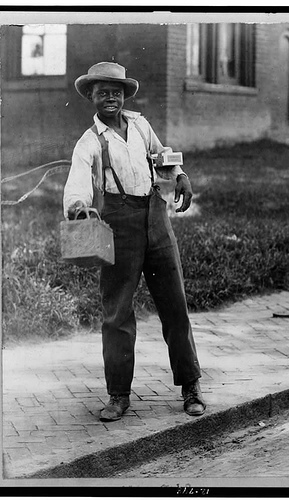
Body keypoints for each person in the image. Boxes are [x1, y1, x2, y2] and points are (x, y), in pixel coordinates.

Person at [63, 62, 206, 422]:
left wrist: (181, 175)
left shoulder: (141, 125)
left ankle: (191, 387)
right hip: (118, 227)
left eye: (116, 91)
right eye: (102, 91)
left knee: (175, 308)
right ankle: (118, 395)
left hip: (156, 221)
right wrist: (78, 205)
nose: (110, 97)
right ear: (91, 97)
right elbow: (78, 181)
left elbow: (162, 156)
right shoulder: (89, 142)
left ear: (125, 95)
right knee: (117, 314)